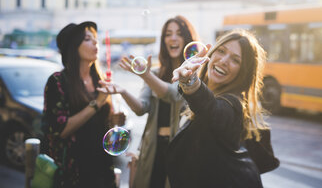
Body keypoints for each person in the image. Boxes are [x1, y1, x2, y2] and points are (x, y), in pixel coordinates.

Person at [101, 15, 199, 188]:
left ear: (187, 38)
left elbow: (173, 95)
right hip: (152, 149)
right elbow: (141, 108)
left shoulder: (193, 74)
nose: (173, 38)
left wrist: (144, 74)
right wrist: (123, 91)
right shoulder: (155, 73)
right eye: (168, 34)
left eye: (179, 33)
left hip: (181, 149)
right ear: (163, 40)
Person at [167, 29, 267, 188]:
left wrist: (191, 82)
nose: (224, 60)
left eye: (235, 60)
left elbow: (211, 109)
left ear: (243, 72)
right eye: (221, 51)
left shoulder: (233, 105)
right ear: (211, 53)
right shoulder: (203, 97)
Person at [41, 21, 123, 188]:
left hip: (102, 167)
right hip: (75, 172)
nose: (95, 42)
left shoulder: (99, 81)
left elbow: (104, 126)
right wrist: (97, 103)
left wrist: (116, 121)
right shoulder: (58, 81)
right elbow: (60, 130)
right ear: (73, 47)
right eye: (87, 39)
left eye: (95, 39)